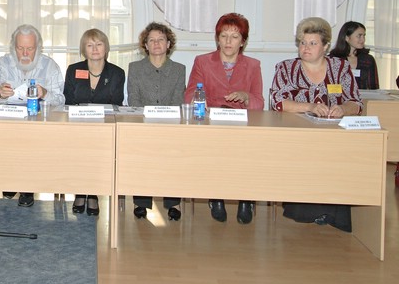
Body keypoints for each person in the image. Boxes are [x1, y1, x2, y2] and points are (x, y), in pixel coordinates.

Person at [270, 16, 363, 232]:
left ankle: (334, 211)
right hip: (298, 135)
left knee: (341, 158)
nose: (306, 47)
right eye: (303, 43)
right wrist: (309, 106)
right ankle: (305, 210)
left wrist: (343, 109)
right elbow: (277, 102)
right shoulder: (286, 68)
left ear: (326, 46)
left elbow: (355, 102)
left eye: (313, 43)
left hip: (334, 136)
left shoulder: (340, 68)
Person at [184, 13, 264, 225]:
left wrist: (246, 97)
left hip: (242, 125)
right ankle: (216, 196)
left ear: (243, 41)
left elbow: (259, 102)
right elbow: (190, 93)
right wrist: (200, 101)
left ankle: (246, 199)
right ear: (217, 39)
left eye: (234, 37)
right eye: (224, 36)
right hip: (212, 123)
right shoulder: (202, 61)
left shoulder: (253, 65)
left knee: (249, 151)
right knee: (215, 148)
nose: (228, 41)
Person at [0, 24, 65, 208]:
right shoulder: (1, 64)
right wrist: (0, 94)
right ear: (13, 47)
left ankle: (27, 187)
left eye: (30, 49)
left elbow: (61, 100)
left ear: (38, 48)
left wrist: (45, 93)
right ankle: (10, 180)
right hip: (8, 125)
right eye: (20, 48)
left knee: (32, 139)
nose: (24, 53)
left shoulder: (50, 66)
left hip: (38, 125)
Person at [126, 22, 185, 221]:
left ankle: (173, 203)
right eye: (152, 40)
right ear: (146, 45)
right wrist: (148, 123)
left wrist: (165, 123)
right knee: (141, 153)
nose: (156, 43)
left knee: (174, 155)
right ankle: (141, 202)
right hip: (143, 124)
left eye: (161, 39)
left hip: (171, 126)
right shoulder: (135, 68)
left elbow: (178, 101)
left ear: (168, 44)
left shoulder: (179, 69)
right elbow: (133, 99)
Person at [64, 28, 125, 217]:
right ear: (84, 49)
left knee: (97, 153)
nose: (95, 49)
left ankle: (93, 194)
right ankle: (80, 192)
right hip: (77, 125)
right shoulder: (74, 70)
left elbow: (116, 102)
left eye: (99, 44)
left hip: (104, 127)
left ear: (106, 47)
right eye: (90, 45)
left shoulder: (117, 73)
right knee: (78, 153)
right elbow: (68, 99)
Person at [328, 21, 379, 90]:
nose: (363, 39)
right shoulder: (333, 59)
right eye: (359, 36)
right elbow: (330, 86)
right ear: (347, 38)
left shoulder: (368, 60)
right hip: (340, 96)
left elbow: (374, 87)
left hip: (364, 97)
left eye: (364, 36)